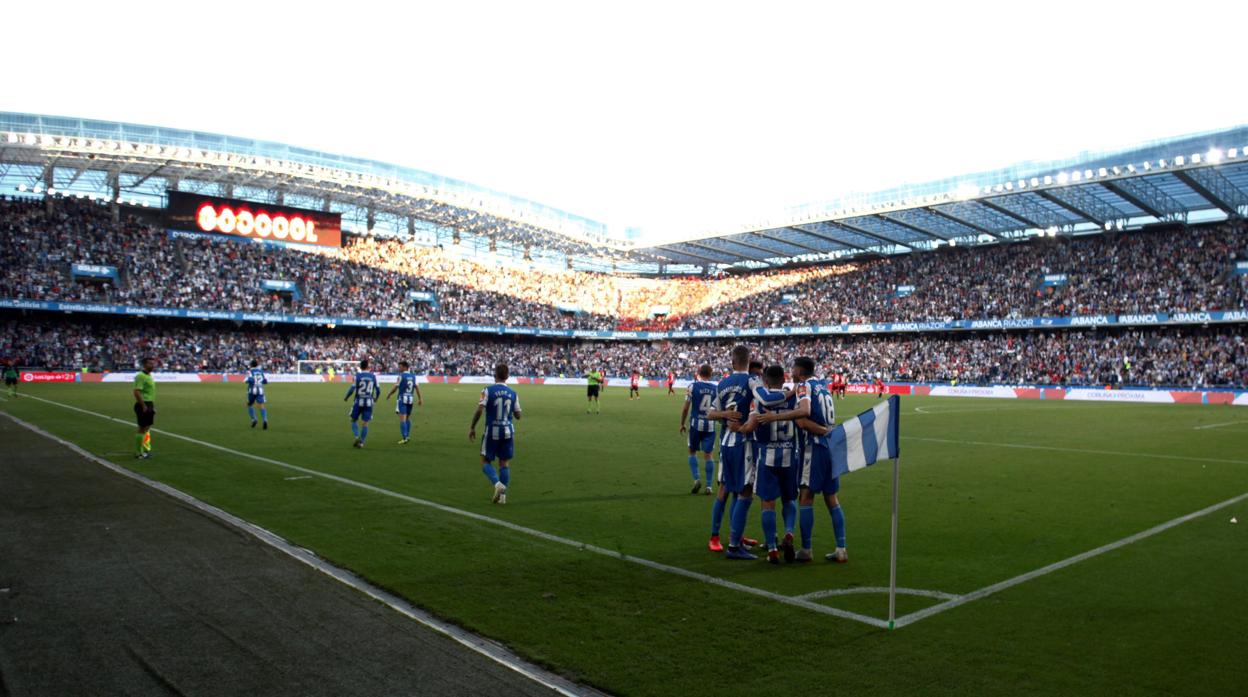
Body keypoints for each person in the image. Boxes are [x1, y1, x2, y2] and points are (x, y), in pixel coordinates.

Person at [757, 356, 847, 563]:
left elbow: (804, 416)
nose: (792, 372)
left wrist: (775, 417)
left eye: (794, 369)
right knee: (831, 498)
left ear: (800, 370)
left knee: (806, 497)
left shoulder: (804, 386)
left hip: (814, 448)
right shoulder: (823, 387)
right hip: (831, 447)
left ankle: (806, 549)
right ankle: (841, 548)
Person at [704, 346, 785, 559]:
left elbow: (711, 413)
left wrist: (725, 414)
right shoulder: (751, 381)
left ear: (732, 362)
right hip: (744, 441)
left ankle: (726, 537)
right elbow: (766, 399)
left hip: (725, 443)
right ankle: (733, 545)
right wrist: (793, 393)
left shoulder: (722, 383)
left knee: (726, 488)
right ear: (748, 363)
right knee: (745, 491)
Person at [734, 365, 800, 564]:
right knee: (789, 500)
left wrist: (738, 428)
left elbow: (751, 426)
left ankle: (772, 548)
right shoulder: (794, 398)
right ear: (783, 378)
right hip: (790, 455)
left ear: (765, 380)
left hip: (767, 457)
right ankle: (788, 533)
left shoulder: (761, 400)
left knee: (767, 503)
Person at [469, 363, 522, 504]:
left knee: (485, 461)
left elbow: (480, 409)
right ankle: (503, 497)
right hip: (508, 432)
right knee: (504, 463)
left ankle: (497, 485)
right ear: (507, 376)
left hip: (492, 431)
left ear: (495, 375)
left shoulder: (487, 390)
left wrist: (472, 427)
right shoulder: (513, 393)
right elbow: (518, 415)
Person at [679, 364, 718, 495]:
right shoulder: (716, 389)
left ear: (699, 373)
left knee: (692, 451)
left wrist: (682, 423)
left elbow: (685, 408)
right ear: (711, 374)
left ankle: (696, 479)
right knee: (708, 454)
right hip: (710, 425)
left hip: (695, 424)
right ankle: (708, 486)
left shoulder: (692, 386)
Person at [344, 359, 380, 448]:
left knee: (353, 420)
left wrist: (346, 397)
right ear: (368, 367)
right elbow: (378, 390)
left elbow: (352, 389)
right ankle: (362, 442)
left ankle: (357, 437)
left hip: (358, 401)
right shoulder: (373, 377)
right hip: (369, 402)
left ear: (360, 367)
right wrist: (376, 398)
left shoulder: (357, 376)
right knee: (365, 423)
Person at [385, 360, 422, 444]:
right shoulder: (413, 376)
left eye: (400, 366)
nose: (399, 368)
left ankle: (404, 438)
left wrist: (389, 394)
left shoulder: (401, 376)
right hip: (410, 399)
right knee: (407, 418)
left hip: (402, 399)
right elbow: (417, 388)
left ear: (405, 367)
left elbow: (395, 387)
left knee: (403, 419)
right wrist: (420, 399)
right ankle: (407, 436)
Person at [132, 356, 157, 459]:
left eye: (153, 363)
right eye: (150, 363)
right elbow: (136, 392)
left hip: (149, 404)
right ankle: (139, 453)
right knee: (142, 429)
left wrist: (152, 406)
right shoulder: (141, 376)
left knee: (147, 428)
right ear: (144, 365)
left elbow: (150, 393)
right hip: (144, 404)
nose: (152, 365)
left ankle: (146, 449)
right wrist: (143, 405)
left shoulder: (149, 376)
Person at [245, 360, 269, 429]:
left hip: (252, 390)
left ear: (251, 365)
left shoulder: (249, 371)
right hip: (260, 390)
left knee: (249, 404)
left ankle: (254, 419)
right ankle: (265, 420)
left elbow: (249, 380)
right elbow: (265, 381)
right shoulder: (260, 371)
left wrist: (248, 381)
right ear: (257, 365)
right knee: (261, 405)